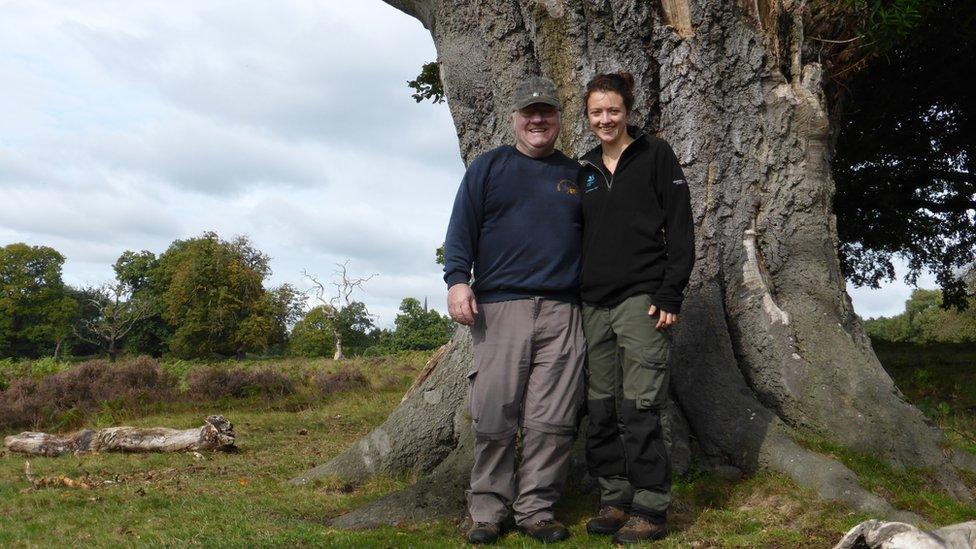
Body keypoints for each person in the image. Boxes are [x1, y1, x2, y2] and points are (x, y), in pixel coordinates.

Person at [442, 75, 584, 545]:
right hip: (500, 308)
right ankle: (487, 510)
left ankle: (536, 510)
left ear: (559, 119)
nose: (537, 119)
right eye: (529, 112)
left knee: (553, 419)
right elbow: (460, 230)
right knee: (494, 413)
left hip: (565, 311)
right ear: (515, 119)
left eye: (546, 111)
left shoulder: (578, 175)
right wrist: (457, 281)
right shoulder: (488, 168)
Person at [578, 72, 694, 544]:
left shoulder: (655, 155)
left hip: (642, 301)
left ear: (627, 111)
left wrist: (670, 293)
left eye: (613, 111)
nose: (605, 120)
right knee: (600, 409)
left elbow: (681, 229)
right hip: (591, 305)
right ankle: (614, 498)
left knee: (640, 407)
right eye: (596, 112)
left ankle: (651, 508)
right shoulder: (581, 169)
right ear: (587, 116)